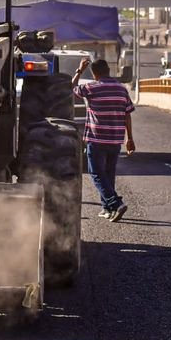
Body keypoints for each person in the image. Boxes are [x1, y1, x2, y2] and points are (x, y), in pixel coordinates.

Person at [72, 58, 135, 222]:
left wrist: (79, 70)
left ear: (94, 73)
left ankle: (115, 203)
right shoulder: (122, 89)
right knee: (108, 174)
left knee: (96, 174)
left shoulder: (91, 88)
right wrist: (130, 139)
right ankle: (107, 208)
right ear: (108, 70)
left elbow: (71, 88)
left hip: (97, 139)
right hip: (115, 140)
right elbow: (127, 114)